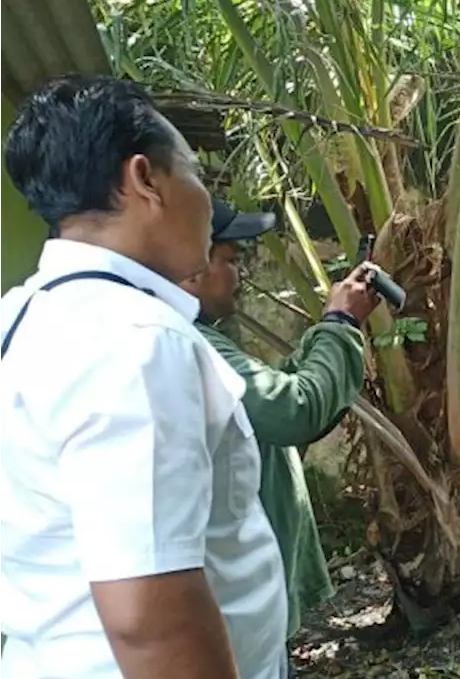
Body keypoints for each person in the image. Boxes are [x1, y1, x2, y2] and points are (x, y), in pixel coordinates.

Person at [0, 76, 287, 679]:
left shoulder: (20, 317)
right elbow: (149, 618)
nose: (207, 203)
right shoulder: (136, 343)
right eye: (195, 174)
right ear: (144, 179)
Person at [179, 201, 378, 670]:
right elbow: (295, 409)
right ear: (191, 266)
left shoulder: (203, 340)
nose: (240, 275)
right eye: (229, 260)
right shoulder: (192, 343)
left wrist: (329, 329)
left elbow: (271, 399)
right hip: (235, 621)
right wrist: (341, 324)